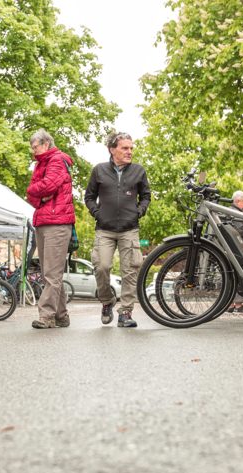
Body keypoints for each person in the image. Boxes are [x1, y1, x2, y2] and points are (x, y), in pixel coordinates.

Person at [84, 131, 151, 328]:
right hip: (104, 229)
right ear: (112, 150)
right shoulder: (99, 170)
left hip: (129, 229)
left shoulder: (138, 171)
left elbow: (146, 196)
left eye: (131, 148)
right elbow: (89, 197)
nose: (129, 151)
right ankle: (107, 301)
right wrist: (97, 213)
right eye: (125, 148)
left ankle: (126, 313)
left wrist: (139, 211)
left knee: (130, 271)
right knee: (102, 266)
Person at [25, 129, 75, 329]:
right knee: (51, 272)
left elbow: (47, 186)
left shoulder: (56, 159)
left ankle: (46, 315)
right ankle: (62, 315)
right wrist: (36, 193)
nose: (33, 151)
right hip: (44, 220)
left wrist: (36, 191)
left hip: (57, 222)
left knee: (51, 274)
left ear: (45, 143)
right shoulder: (41, 164)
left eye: (35, 147)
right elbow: (33, 194)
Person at [227, 190, 243, 313]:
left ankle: (230, 305)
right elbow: (240, 232)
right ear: (237, 201)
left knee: (231, 277)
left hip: (231, 250)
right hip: (238, 251)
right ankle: (238, 305)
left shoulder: (229, 212)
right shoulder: (236, 213)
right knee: (239, 277)